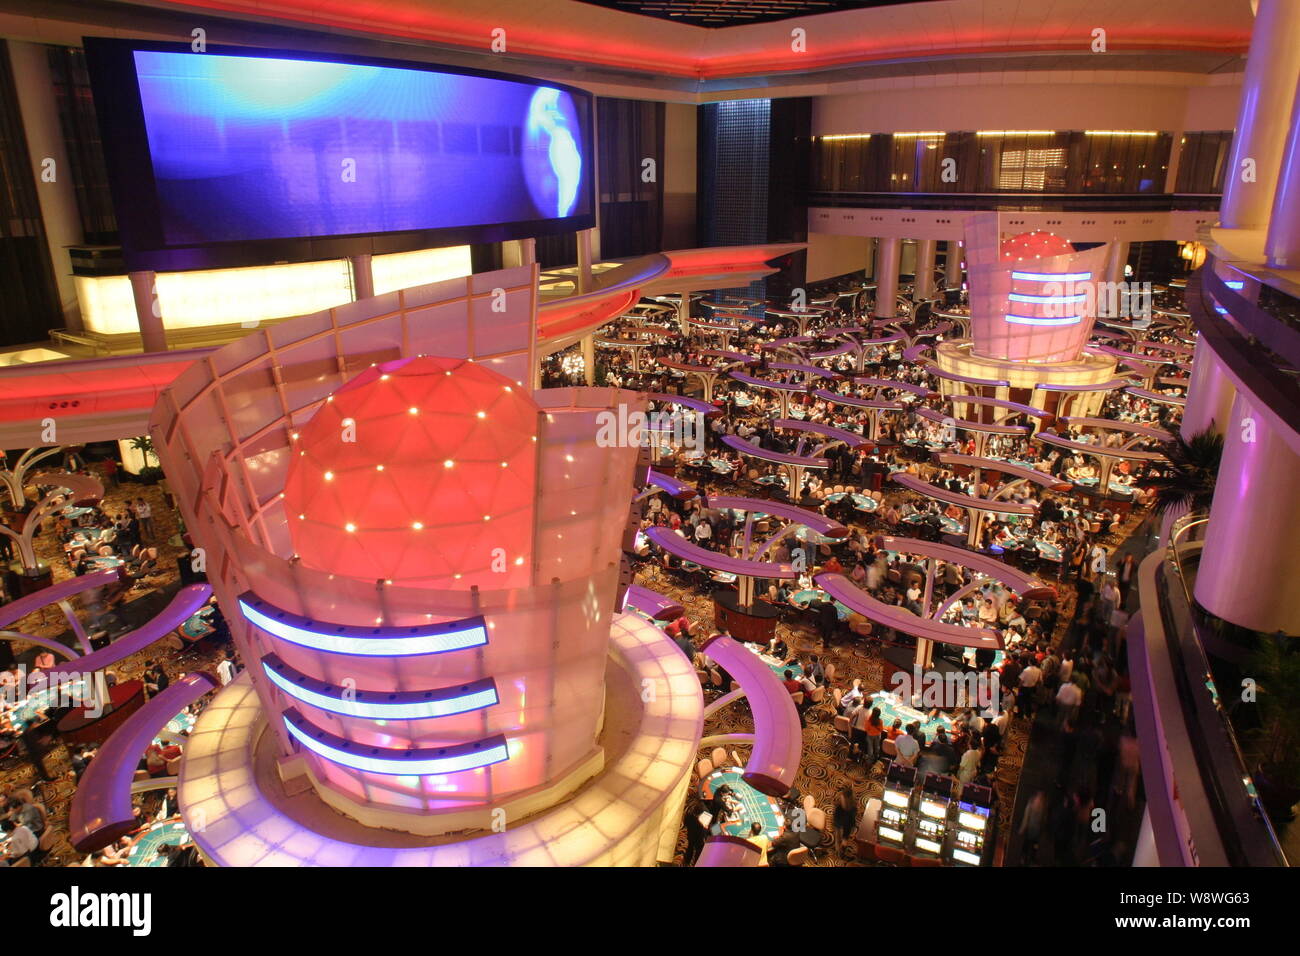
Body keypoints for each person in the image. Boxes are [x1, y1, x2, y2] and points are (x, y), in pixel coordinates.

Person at [831, 785, 856, 857]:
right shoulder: (839, 806)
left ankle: (841, 850)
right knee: (837, 836)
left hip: (847, 824)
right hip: (839, 821)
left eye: (843, 800)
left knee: (845, 839)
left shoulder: (852, 808)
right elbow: (836, 817)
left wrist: (845, 837)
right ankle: (838, 850)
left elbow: (851, 822)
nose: (841, 800)